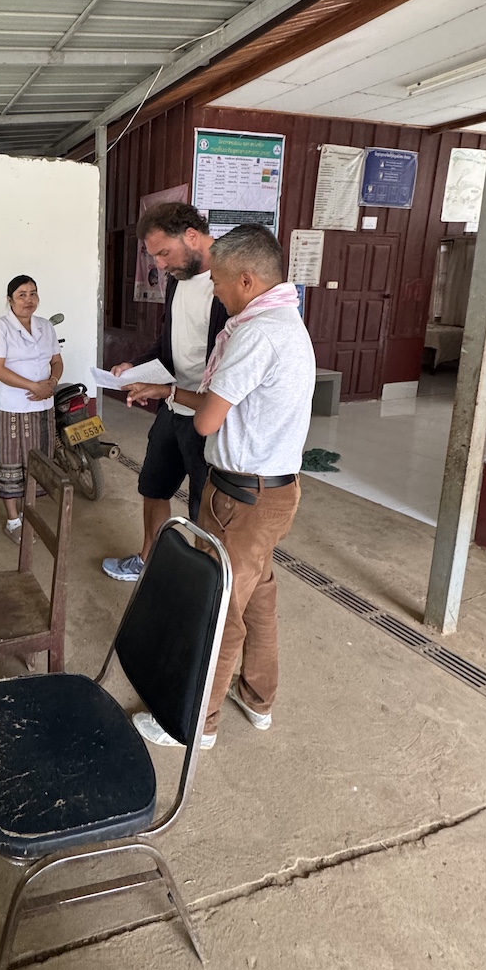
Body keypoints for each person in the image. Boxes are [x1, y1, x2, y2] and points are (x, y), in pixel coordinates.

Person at [127, 224, 315, 751]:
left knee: (218, 605)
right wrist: (168, 390)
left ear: (247, 280)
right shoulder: (286, 321)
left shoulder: (254, 334)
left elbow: (208, 419)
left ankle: (194, 721)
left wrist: (187, 402)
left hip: (241, 498)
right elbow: (229, 402)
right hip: (274, 490)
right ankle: (257, 697)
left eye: (220, 283)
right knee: (257, 596)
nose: (216, 292)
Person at [101, 203, 227, 583]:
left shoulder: (229, 282)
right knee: (154, 486)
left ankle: (202, 585)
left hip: (208, 415)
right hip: (172, 408)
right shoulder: (177, 280)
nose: (159, 264)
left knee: (204, 507)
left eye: (164, 253)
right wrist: (135, 366)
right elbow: (168, 341)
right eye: (154, 256)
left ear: (191, 236)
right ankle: (148, 559)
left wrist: (171, 390)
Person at [0, 275, 63, 543]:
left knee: (38, 461)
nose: (29, 300)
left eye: (33, 293)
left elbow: (56, 361)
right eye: (22, 295)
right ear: (10, 300)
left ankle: (28, 513)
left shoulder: (45, 326)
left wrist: (51, 383)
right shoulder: (0, 327)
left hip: (42, 404)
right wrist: (34, 386)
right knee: (11, 461)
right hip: (11, 406)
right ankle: (12, 521)